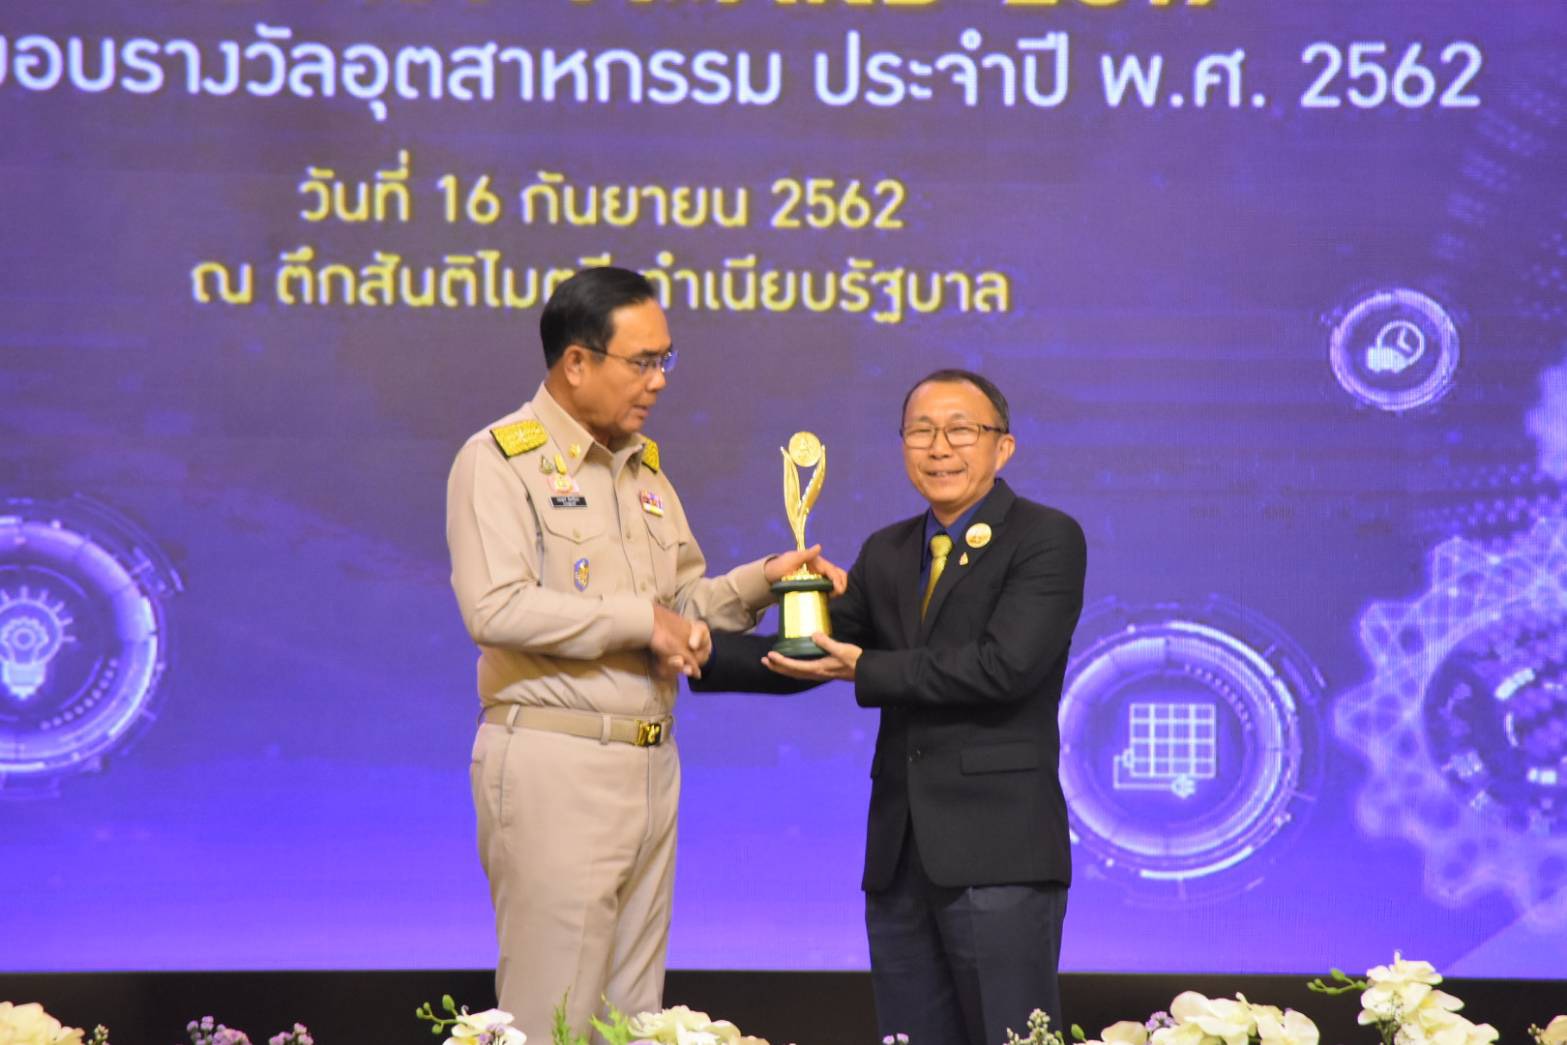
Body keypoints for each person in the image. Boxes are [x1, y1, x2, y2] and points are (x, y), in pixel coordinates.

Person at [445, 266, 840, 1042]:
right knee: (553, 1011)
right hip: (559, 758)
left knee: (632, 1015)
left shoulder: (643, 471)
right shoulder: (498, 460)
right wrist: (638, 620)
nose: (659, 380)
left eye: (666, 359)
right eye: (643, 361)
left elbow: (680, 609)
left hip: (651, 760)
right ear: (576, 362)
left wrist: (763, 581)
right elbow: (495, 607)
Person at [693, 369, 1087, 1045]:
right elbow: (811, 654)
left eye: (961, 429)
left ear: (1003, 447)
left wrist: (867, 667)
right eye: (920, 431)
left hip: (1000, 854)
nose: (939, 447)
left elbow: (1004, 667)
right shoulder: (888, 550)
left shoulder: (1045, 537)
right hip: (900, 858)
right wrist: (697, 647)